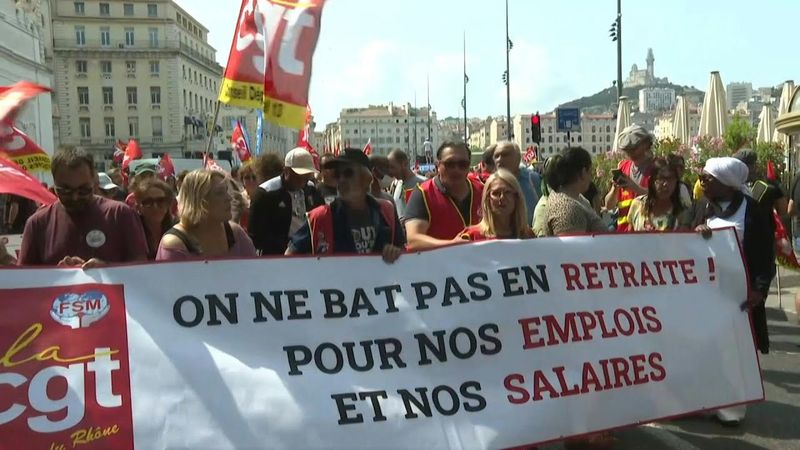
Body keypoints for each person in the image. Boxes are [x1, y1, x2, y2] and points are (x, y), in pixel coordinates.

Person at [691, 157, 775, 427]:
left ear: (727, 184)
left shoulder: (753, 211)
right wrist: (695, 232)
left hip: (739, 295)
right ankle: (705, 401)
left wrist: (759, 290)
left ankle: (732, 409)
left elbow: (765, 253)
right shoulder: (702, 206)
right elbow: (684, 242)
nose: (702, 182)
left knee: (735, 352)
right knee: (707, 349)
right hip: (705, 293)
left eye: (708, 178)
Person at [18, 146, 148, 267]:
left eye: (83, 190)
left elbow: (140, 271)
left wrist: (107, 271)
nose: (75, 197)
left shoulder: (120, 215)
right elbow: (24, 282)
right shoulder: (37, 224)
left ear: (94, 180)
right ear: (54, 185)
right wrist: (56, 276)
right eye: (65, 191)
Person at [286, 149, 404, 263]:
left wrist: (396, 253)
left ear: (366, 178)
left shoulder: (386, 211)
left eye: (348, 173)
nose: (341, 180)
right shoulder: (320, 217)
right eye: (337, 175)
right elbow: (289, 257)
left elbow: (403, 251)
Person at [157, 170, 256, 261]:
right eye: (219, 193)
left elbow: (255, 273)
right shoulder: (174, 245)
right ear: (198, 200)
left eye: (226, 191)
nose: (229, 198)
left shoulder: (235, 233)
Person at [404, 142, 484, 250]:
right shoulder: (423, 193)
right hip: (439, 264)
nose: (456, 169)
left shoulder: (483, 191)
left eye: (462, 164)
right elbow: (413, 240)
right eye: (450, 164)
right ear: (438, 166)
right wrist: (452, 244)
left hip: (480, 263)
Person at [248, 148, 324, 255]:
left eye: (307, 175)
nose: (303, 180)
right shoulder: (266, 193)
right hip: (278, 256)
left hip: (308, 253)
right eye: (298, 175)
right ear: (286, 171)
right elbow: (256, 234)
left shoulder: (311, 190)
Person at [545, 147, 607, 236]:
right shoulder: (567, 209)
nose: (591, 177)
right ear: (583, 172)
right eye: (590, 172)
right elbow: (571, 247)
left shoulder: (577, 198)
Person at [604, 125, 655, 231]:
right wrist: (615, 188)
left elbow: (662, 198)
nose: (630, 153)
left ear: (646, 144)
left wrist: (636, 188)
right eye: (627, 150)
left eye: (633, 148)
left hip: (647, 232)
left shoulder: (657, 167)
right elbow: (609, 205)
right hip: (623, 232)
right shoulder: (622, 166)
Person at [459, 169, 534, 241]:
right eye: (496, 193)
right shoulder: (472, 236)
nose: (502, 197)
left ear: (516, 197)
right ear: (487, 199)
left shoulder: (527, 235)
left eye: (507, 192)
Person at [626, 158, 691, 231]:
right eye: (661, 178)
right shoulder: (637, 204)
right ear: (652, 181)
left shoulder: (683, 210)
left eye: (671, 179)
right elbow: (629, 238)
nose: (666, 184)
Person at [493, 141, 539, 225]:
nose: (499, 159)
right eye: (496, 156)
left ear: (518, 158)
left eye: (505, 155)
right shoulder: (490, 184)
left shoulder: (532, 179)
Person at [734, 148, 788, 220]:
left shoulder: (729, 186)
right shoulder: (770, 184)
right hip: (764, 228)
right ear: (756, 165)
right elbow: (783, 211)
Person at [133, 178, 175, 260]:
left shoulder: (178, 228)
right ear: (138, 207)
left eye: (161, 201)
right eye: (148, 202)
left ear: (168, 204)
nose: (155, 207)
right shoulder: (131, 231)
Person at [387, 149, 425, 219]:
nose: (390, 172)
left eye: (392, 167)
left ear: (404, 163)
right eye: (388, 168)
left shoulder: (423, 184)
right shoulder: (396, 185)